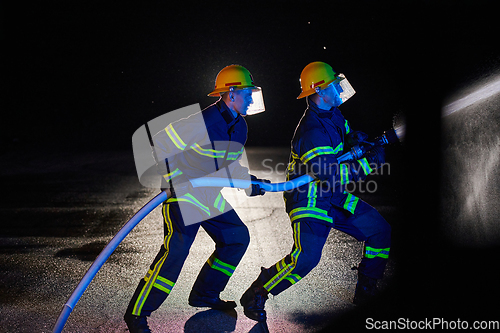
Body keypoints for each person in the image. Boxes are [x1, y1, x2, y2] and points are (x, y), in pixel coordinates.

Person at [240, 61, 391, 322]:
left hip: (331, 196)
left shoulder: (333, 113)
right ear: (319, 91)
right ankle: (258, 291)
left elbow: (344, 140)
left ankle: (366, 292)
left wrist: (357, 139)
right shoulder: (310, 132)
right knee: (306, 258)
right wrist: (370, 162)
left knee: (380, 230)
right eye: (333, 85)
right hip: (309, 199)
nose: (339, 89)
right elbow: (332, 176)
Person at [124, 65, 269, 333]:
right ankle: (136, 314)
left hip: (206, 194)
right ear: (232, 92)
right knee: (176, 250)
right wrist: (178, 178)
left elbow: (229, 165)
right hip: (181, 195)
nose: (251, 99)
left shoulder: (239, 127)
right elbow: (158, 145)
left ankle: (204, 294)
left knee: (236, 236)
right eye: (247, 93)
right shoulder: (201, 122)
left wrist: (250, 183)